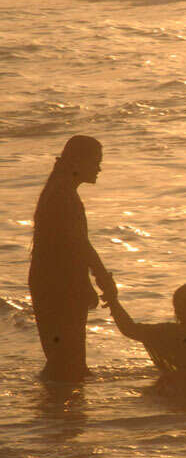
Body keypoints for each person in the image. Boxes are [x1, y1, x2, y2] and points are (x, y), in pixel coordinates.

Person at [29, 135, 115, 383]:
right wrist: (101, 279)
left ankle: (57, 415)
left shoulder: (60, 191)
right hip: (59, 286)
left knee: (64, 363)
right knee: (69, 365)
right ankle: (65, 417)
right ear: (78, 162)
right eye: (95, 161)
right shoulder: (63, 196)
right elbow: (78, 244)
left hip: (50, 283)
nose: (99, 168)